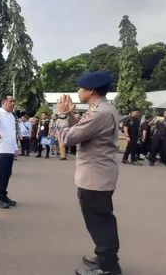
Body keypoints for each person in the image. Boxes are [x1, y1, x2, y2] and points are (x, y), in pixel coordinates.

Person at [55, 71, 122, 275]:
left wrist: (59, 116)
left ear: (91, 91)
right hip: (98, 174)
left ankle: (109, 267)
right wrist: (70, 116)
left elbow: (67, 139)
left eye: (81, 88)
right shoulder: (102, 109)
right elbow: (84, 131)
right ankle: (105, 258)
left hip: (95, 177)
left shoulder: (99, 113)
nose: (78, 91)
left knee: (99, 221)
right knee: (100, 219)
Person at [0, 95, 18, 209]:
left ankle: (3, 195)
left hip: (9, 149)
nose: (13, 103)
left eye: (14, 101)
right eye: (11, 101)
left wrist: (15, 147)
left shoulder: (11, 116)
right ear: (3, 102)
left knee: (7, 174)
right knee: (0, 175)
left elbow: (12, 132)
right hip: (0, 149)